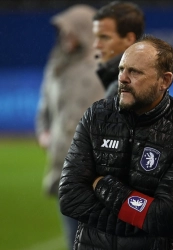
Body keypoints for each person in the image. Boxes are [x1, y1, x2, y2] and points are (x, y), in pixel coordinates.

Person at [59, 35, 173, 250]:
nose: (123, 78)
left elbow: (164, 218)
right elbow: (70, 197)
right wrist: (139, 222)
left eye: (134, 72)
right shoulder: (96, 117)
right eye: (121, 69)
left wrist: (102, 184)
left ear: (164, 81)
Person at [35, 5, 105, 250]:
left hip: (95, 171)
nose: (65, 37)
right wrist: (44, 133)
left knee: (96, 241)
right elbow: (44, 107)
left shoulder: (103, 65)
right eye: (63, 32)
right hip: (63, 166)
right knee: (73, 241)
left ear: (85, 31)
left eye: (71, 31)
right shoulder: (56, 63)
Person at [92, 1, 145, 97]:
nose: (96, 45)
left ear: (129, 39)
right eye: (96, 37)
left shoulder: (124, 89)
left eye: (104, 37)